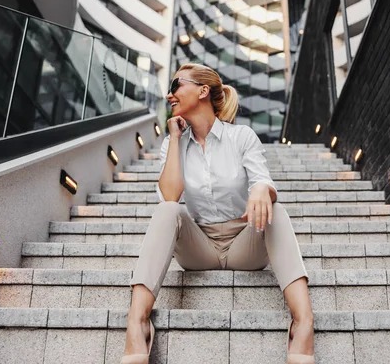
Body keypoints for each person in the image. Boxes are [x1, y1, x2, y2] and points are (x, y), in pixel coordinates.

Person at [121, 63, 315, 364]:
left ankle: (303, 322)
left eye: (176, 86)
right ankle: (137, 323)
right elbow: (170, 196)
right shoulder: (172, 143)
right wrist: (174, 137)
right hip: (198, 248)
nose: (169, 94)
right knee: (167, 210)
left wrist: (262, 189)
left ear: (202, 91)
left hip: (244, 245)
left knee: (278, 211)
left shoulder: (241, 136)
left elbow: (262, 178)